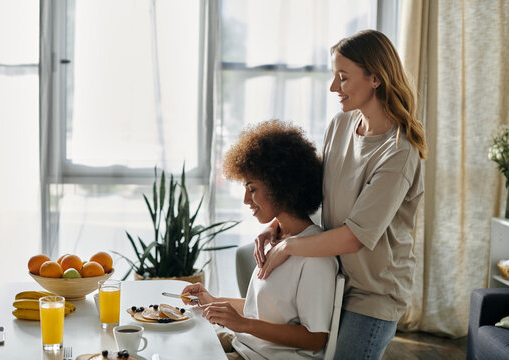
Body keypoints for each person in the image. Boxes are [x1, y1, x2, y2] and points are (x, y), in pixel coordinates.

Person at [253, 30, 427, 360]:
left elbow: (354, 237)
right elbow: (317, 194)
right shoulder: (341, 124)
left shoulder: (399, 152)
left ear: (375, 77)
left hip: (373, 296)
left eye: (343, 78)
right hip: (332, 278)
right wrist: (276, 224)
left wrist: (289, 246)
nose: (334, 87)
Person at [182, 120, 339, 360]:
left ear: (281, 187)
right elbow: (266, 310)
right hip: (244, 346)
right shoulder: (277, 240)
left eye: (252, 188)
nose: (246, 199)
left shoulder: (315, 257)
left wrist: (243, 325)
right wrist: (212, 301)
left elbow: (315, 338)